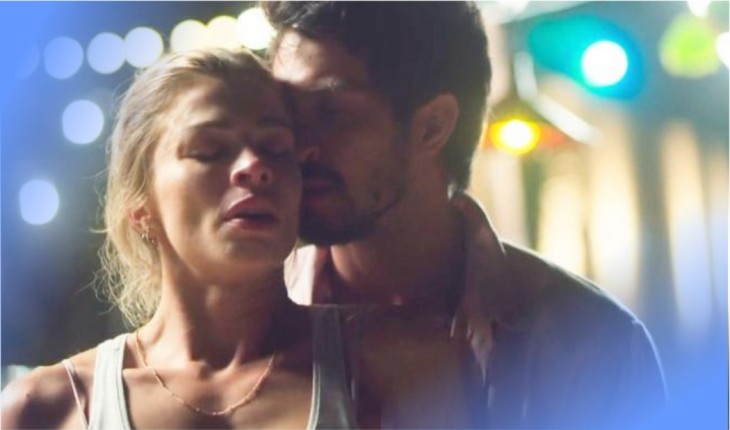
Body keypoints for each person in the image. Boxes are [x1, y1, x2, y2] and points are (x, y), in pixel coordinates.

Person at [265, 2, 668, 428]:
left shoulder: (591, 347)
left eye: (330, 112)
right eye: (287, 112)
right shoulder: (247, 325)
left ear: (432, 127)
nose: (297, 145)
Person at [1, 49, 357, 429]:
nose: (255, 165)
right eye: (210, 151)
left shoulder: (379, 364)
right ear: (141, 205)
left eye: (276, 148)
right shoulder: (51, 409)